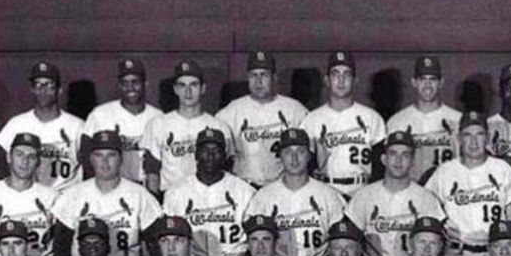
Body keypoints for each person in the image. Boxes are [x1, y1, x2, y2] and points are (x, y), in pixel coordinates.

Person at [51, 130, 163, 256]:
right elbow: (61, 247)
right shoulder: (73, 195)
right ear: (91, 159)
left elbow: (156, 246)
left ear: (121, 158)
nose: (105, 162)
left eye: (111, 155)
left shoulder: (139, 195)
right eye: (99, 155)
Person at [425, 111, 511, 256]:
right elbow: (429, 214)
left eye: (479, 134)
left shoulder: (503, 169)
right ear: (459, 139)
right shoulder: (444, 172)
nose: (473, 141)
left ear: (488, 137)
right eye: (467, 135)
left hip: (494, 254)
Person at [248, 128, 346, 256]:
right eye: (288, 152)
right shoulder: (264, 197)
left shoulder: (329, 196)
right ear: (280, 156)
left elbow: (342, 241)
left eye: (300, 151)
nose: (294, 159)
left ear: (309, 155)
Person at [345, 130, 445, 256]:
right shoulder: (364, 196)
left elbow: (436, 243)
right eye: (393, 154)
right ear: (384, 159)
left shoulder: (426, 198)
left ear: (412, 161)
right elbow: (351, 242)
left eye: (405, 155)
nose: (398, 160)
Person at [163, 127, 257, 256]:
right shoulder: (176, 193)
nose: (210, 156)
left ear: (224, 155)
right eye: (205, 150)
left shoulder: (244, 191)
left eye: (216, 151)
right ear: (196, 154)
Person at [140, 59, 235, 195]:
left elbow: (227, 171)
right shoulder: (158, 124)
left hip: (208, 199)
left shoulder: (219, 126)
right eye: (182, 85)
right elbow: (152, 171)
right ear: (175, 89)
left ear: (203, 88)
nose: (188, 91)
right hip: (170, 197)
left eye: (193, 85)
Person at [215, 50, 308, 188]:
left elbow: (308, 154)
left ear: (274, 78)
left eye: (264, 75)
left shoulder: (295, 110)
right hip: (245, 186)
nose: (258, 81)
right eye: (253, 75)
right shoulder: (230, 112)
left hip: (282, 186)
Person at [301, 50, 387, 197]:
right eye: (335, 74)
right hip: (325, 190)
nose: (341, 80)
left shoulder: (372, 118)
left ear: (355, 80)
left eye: (346, 74)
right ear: (327, 80)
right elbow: (305, 164)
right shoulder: (312, 119)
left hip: (362, 189)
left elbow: (380, 167)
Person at [0, 61, 84, 192]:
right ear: (32, 89)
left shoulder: (77, 126)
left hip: (67, 200)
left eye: (49, 85)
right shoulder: (16, 124)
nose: (43, 90)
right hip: (29, 199)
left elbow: (92, 166)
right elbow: (0, 168)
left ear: (59, 90)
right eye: (38, 84)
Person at [81, 58, 163, 184]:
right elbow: (86, 157)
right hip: (112, 186)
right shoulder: (100, 114)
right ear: (119, 85)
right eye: (125, 83)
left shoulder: (158, 117)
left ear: (145, 84)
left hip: (147, 188)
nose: (130, 88)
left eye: (135, 82)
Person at [386, 55, 462, 184]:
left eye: (433, 79)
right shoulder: (397, 121)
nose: (427, 85)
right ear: (414, 82)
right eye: (422, 79)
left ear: (441, 83)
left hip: (447, 187)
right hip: (410, 188)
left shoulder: (457, 119)